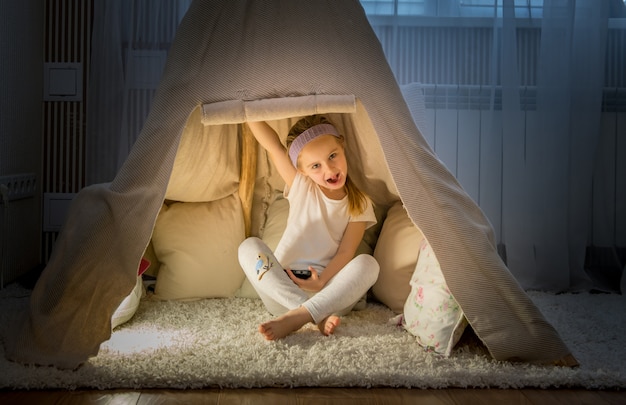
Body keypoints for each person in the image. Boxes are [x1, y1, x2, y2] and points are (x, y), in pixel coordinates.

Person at [238, 115, 380, 340]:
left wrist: (321, 282)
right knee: (248, 247)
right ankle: (307, 314)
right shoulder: (301, 186)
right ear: (303, 171)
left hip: (329, 296)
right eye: (316, 166)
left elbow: (346, 252)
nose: (329, 169)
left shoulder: (359, 202)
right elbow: (273, 145)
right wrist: (247, 111)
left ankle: (304, 314)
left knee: (369, 265)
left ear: (342, 146)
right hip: (282, 293)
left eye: (333, 156)